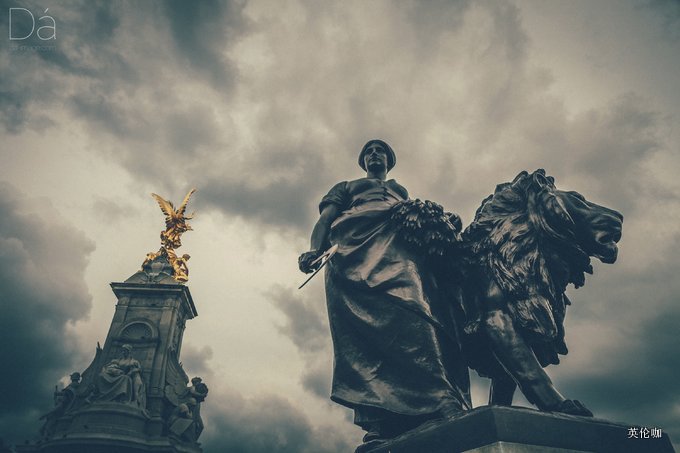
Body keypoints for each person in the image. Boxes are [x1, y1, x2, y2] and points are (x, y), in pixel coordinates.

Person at [299, 139, 470, 451]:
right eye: (369, 150)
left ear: (390, 161)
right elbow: (324, 220)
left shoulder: (400, 191)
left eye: (380, 150)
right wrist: (314, 249)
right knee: (364, 338)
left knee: (415, 311)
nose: (374, 153)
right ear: (363, 160)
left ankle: (438, 397)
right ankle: (379, 422)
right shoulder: (347, 187)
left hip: (397, 250)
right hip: (353, 253)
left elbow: (415, 223)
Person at [96, 344, 147, 411]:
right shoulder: (118, 360)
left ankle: (122, 398)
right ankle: (105, 396)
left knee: (125, 379)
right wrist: (113, 370)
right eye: (122, 351)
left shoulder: (134, 361)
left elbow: (140, 369)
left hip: (126, 376)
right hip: (116, 375)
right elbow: (107, 366)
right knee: (101, 376)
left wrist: (131, 372)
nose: (123, 352)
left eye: (125, 351)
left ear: (129, 351)